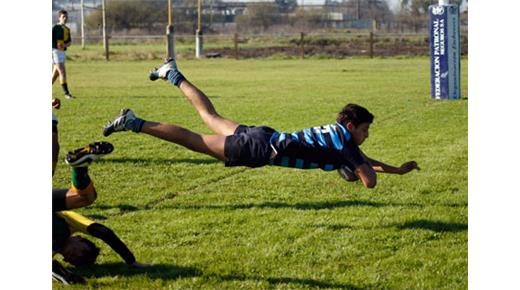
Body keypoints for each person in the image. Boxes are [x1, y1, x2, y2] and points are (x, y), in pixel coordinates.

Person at [103, 59, 420, 188]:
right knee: (193, 140)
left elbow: (360, 161)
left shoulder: (336, 136)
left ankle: (172, 73)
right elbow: (367, 180)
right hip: (259, 147)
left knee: (211, 117)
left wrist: (395, 170)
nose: (367, 135)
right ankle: (134, 122)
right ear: (352, 127)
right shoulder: (346, 144)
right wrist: (351, 172)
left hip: (264, 135)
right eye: (366, 130)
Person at [52, 9, 74, 99]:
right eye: (63, 17)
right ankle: (67, 94)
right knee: (62, 72)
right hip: (55, 51)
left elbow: (69, 42)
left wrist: (65, 45)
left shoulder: (67, 29)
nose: (65, 18)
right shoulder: (55, 28)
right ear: (59, 18)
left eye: (66, 17)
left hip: (62, 52)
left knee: (55, 74)